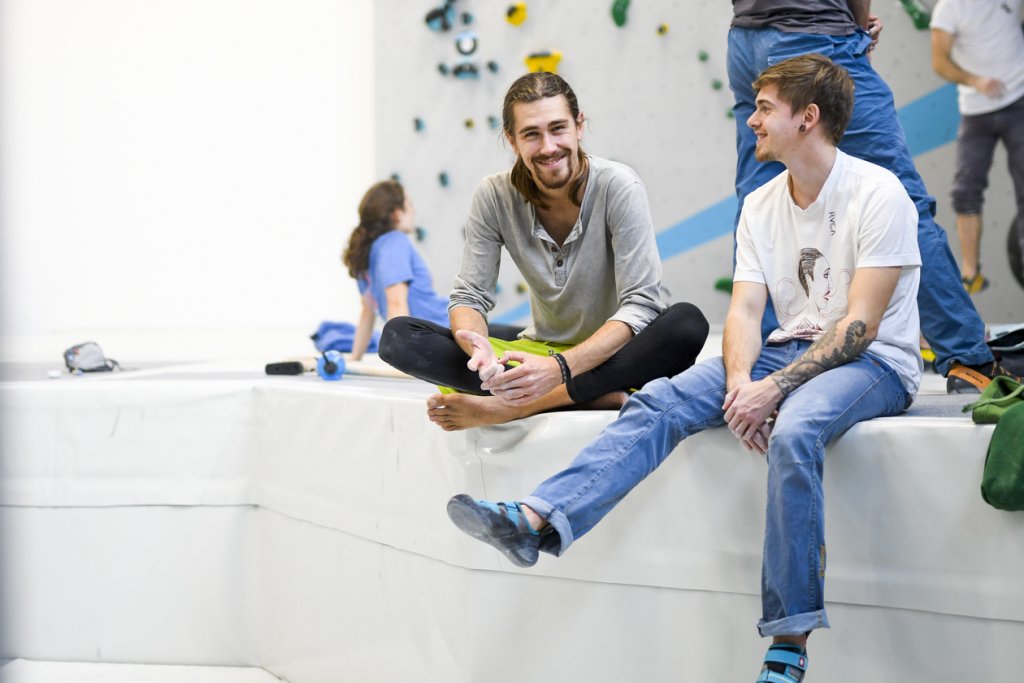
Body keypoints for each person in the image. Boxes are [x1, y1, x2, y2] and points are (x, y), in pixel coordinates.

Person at [447, 54, 921, 683]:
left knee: (797, 428)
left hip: (875, 361)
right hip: (790, 346)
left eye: (763, 109)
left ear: (807, 119)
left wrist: (773, 391)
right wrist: (737, 387)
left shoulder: (877, 193)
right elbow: (746, 313)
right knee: (664, 400)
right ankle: (536, 520)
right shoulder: (760, 203)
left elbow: (858, 327)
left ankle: (789, 640)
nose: (750, 120)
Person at [378, 72, 710, 430]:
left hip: (616, 354)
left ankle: (517, 406)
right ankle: (587, 396)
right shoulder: (493, 195)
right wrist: (478, 351)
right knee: (399, 336)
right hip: (542, 349)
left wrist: (558, 370)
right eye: (532, 134)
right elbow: (469, 298)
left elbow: (641, 304)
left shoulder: (619, 185)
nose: (549, 146)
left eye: (558, 128)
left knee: (686, 324)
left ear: (579, 126)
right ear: (511, 140)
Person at [727, 0, 1022, 394]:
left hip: (746, 39)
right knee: (902, 200)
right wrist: (857, 21)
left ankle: (767, 365)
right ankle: (966, 358)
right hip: (814, 34)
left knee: (759, 203)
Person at [341, 180, 521, 360]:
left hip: (444, 330)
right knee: (528, 342)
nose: (414, 210)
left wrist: (354, 358)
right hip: (444, 331)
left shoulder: (365, 255)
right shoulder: (394, 242)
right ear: (396, 213)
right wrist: (403, 359)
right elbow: (395, 303)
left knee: (523, 338)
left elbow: (367, 311)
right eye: (409, 204)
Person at [930, 0, 1024, 293]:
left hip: (1018, 101)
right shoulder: (948, 8)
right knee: (965, 190)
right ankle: (971, 272)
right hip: (976, 110)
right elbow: (939, 61)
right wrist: (975, 80)